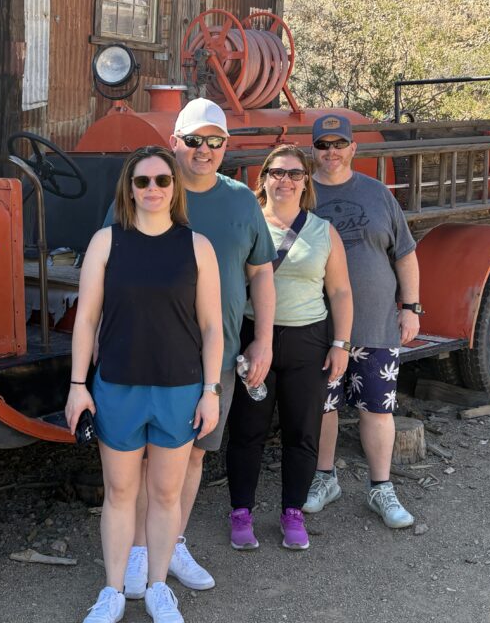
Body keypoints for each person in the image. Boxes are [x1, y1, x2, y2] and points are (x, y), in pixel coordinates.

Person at [107, 98, 277, 596]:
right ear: (174, 142)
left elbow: (261, 273)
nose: (204, 150)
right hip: (145, 353)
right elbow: (107, 265)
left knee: (195, 457)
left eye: (215, 141)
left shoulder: (242, 201)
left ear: (227, 145)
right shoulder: (151, 189)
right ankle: (137, 554)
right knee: (141, 462)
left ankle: (171, 542)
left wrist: (263, 339)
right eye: (194, 140)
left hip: (213, 356)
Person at [66, 145, 224, 623]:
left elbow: (213, 325)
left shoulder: (197, 246)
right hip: (117, 386)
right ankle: (113, 590)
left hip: (179, 388)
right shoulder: (106, 242)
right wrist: (78, 384)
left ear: (174, 188)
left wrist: (211, 390)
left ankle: (158, 587)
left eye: (161, 180)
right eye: (143, 181)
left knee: (166, 495)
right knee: (119, 493)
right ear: (129, 189)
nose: (152, 189)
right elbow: (86, 319)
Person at [225, 144, 353, 551]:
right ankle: (240, 512)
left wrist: (341, 344)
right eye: (277, 172)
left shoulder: (323, 231)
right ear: (263, 178)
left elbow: (341, 291)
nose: (285, 180)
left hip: (307, 339)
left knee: (302, 431)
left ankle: (292, 513)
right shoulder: (247, 225)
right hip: (254, 336)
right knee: (248, 430)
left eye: (294, 174)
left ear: (305, 182)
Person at [302, 114, 420, 528]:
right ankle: (324, 478)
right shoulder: (300, 192)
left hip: (374, 324)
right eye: (322, 145)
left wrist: (411, 307)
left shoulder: (377, 194)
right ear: (312, 150)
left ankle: (381, 487)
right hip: (318, 326)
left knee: (377, 407)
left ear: (354, 148)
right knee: (323, 407)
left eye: (339, 144)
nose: (330, 152)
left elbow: (404, 252)